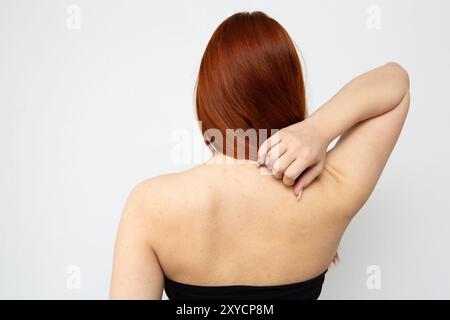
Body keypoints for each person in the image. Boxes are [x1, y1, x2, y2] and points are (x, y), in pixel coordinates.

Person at [110, 11, 410, 300]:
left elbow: (396, 81)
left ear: (207, 96)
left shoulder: (151, 204)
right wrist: (318, 128)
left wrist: (314, 132)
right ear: (291, 92)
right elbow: (396, 81)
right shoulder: (333, 189)